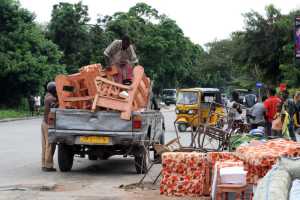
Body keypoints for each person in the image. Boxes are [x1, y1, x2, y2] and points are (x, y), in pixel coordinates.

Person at [41, 82, 58, 172]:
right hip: (48, 124)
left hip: (44, 123)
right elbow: (56, 105)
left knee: (45, 145)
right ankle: (48, 166)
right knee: (50, 145)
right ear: (53, 90)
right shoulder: (51, 99)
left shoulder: (47, 96)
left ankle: (44, 164)